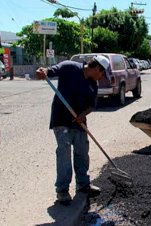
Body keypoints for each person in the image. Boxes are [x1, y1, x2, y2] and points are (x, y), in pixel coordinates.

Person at [36, 55, 110, 204]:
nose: (102, 76)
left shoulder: (93, 85)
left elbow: (92, 105)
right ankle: (62, 191)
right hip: (61, 119)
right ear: (97, 68)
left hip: (79, 122)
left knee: (82, 152)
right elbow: (50, 71)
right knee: (64, 151)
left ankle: (83, 184)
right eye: (102, 73)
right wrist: (42, 72)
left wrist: (83, 115)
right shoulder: (69, 67)